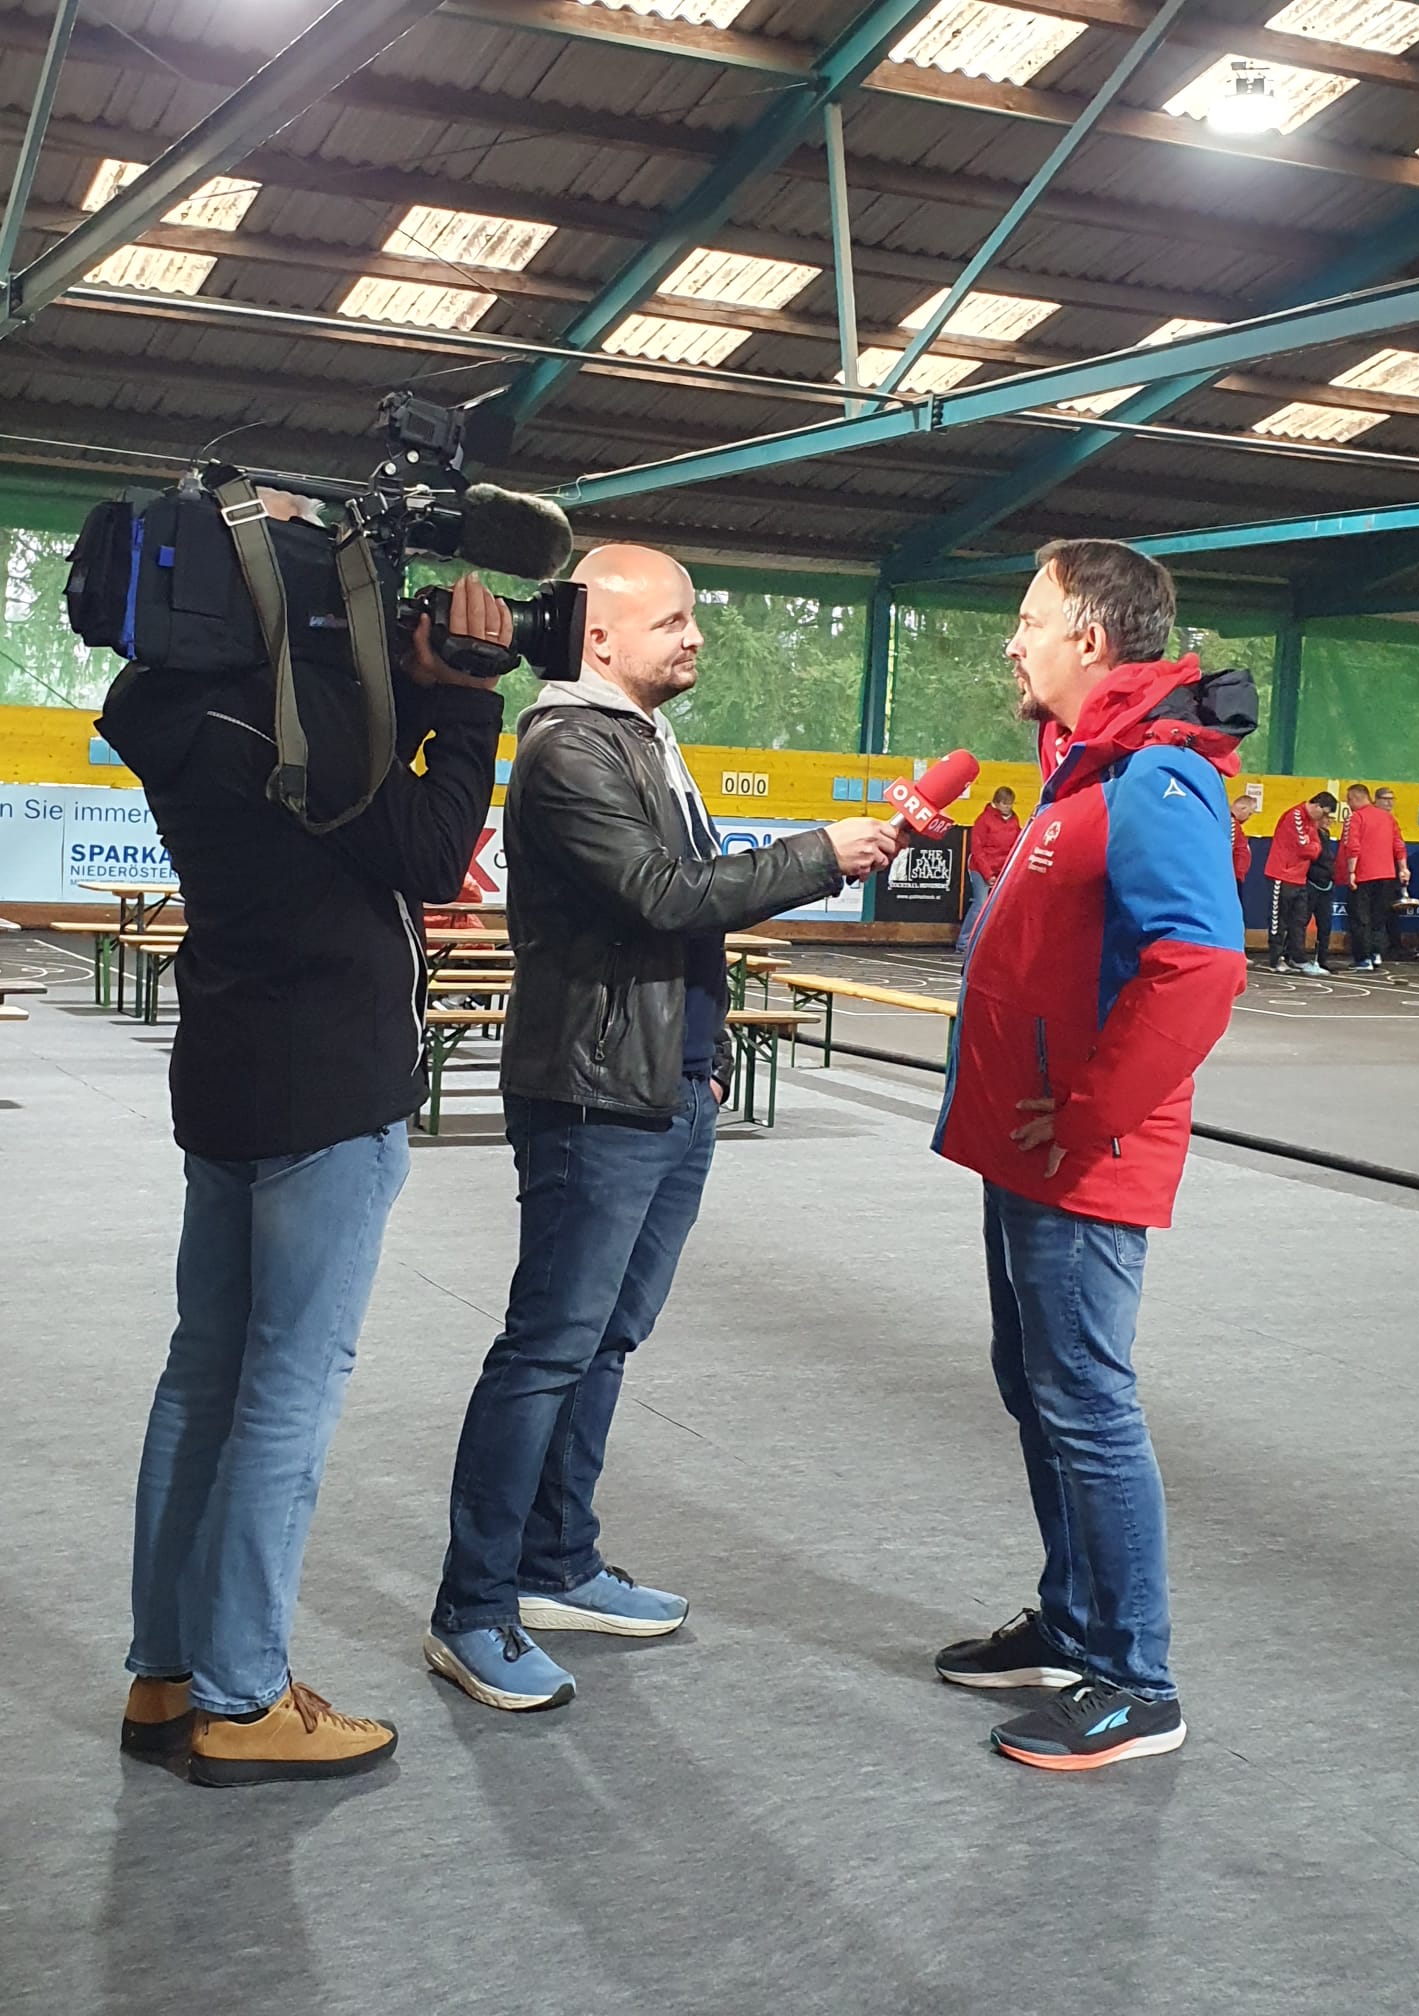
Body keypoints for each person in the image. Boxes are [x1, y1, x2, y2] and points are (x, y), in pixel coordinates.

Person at [426, 543, 900, 1714]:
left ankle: (556, 1563)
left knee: (605, 1341)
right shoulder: (567, 747)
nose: (695, 637)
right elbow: (666, 895)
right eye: (673, 620)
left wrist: (707, 1058)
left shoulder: (642, 735)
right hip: (593, 1098)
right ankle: (472, 1609)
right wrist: (821, 854)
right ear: (598, 635)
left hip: (663, 1088)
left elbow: (681, 922)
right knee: (548, 1348)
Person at [100, 559, 515, 1786]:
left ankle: (167, 1673)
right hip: (326, 1083)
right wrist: (467, 701)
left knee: (202, 1379)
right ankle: (243, 1698)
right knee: (288, 1390)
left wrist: (404, 685)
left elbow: (352, 822)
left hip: (226, 1066)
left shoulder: (180, 704)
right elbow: (431, 853)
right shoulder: (300, 724)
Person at [931, 538, 1254, 1772]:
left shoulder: (1156, 778)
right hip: (1032, 1153)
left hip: (1080, 1159)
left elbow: (1200, 967)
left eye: (1030, 618)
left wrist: (1085, 1112)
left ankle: (1135, 1680)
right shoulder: (1088, 771)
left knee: (1085, 1402)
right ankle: (1071, 1626)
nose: (1013, 640)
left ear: (1091, 639)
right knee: (1040, 1389)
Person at [1264, 790, 1337, 975]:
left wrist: (1312, 846)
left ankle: (1298, 958)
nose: (1323, 818)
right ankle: (1276, 959)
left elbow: (1316, 848)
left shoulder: (1311, 822)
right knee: (1278, 920)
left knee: (1298, 921)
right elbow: (1306, 848)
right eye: (1324, 813)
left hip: (1300, 877)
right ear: (1317, 805)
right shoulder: (1295, 815)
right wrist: (1312, 846)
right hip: (1282, 875)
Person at [1338, 783, 1407, 972]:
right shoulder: (1388, 818)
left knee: (1360, 918)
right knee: (1378, 917)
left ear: (1355, 798)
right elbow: (1398, 844)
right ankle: (1376, 953)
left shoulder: (1356, 817)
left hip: (1363, 875)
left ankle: (1363, 958)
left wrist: (1351, 872)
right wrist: (1403, 868)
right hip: (1387, 875)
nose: (1348, 803)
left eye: (1349, 799)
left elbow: (1353, 846)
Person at [958, 786, 1021, 951]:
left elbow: (1017, 844)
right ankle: (963, 943)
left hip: (1002, 869)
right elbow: (977, 850)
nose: (1008, 807)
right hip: (981, 868)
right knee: (980, 904)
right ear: (997, 803)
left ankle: (990, 943)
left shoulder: (1014, 821)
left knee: (1001, 907)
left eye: (1010, 804)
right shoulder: (984, 820)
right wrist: (988, 874)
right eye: (1005, 804)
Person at [1373, 787, 1414, 960]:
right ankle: (1375, 949)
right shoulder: (1370, 818)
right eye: (1385, 799)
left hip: (1390, 873)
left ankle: (1392, 946)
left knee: (1391, 911)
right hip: (1373, 873)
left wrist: (1403, 868)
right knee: (1375, 912)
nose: (1389, 802)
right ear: (1376, 800)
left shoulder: (1392, 821)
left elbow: (1398, 846)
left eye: (1392, 799)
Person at [1303, 805, 1337, 971]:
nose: (1329, 821)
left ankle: (1322, 959)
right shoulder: (1310, 833)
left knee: (1325, 924)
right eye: (1326, 817)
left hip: (1326, 885)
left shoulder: (1326, 834)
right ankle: (1292, 955)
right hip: (1311, 884)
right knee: (1301, 921)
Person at [1230, 792, 1256, 911]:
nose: (1248, 818)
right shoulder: (1232, 823)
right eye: (1249, 813)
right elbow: (1228, 848)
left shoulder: (1235, 824)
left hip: (1236, 875)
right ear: (1243, 808)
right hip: (1232, 877)